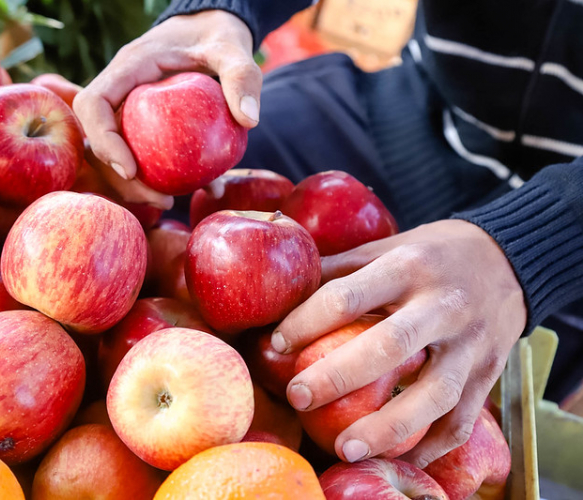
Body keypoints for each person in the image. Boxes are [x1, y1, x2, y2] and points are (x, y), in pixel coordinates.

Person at [73, 1, 583, 467]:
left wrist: (534, 248)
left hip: (565, 254)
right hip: (401, 116)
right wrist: (220, 11)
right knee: (139, 200)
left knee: (468, 405)